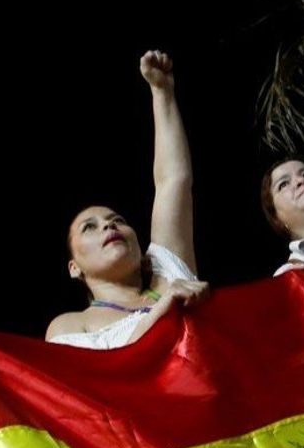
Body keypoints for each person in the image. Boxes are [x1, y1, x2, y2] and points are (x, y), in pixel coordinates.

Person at [45, 51, 207, 350]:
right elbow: (92, 386)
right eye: (89, 227)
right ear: (74, 267)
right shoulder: (69, 324)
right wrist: (161, 312)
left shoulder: (169, 273)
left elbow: (174, 182)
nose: (109, 226)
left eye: (117, 220)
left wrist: (162, 91)